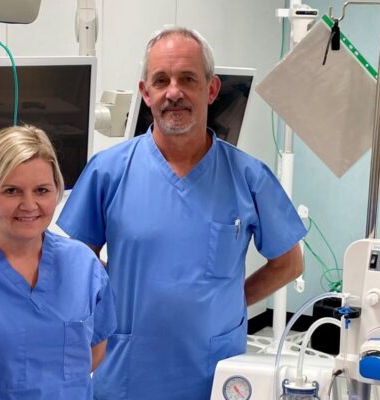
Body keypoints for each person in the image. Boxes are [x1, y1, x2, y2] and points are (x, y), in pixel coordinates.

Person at [57, 25, 306, 400]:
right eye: (161, 80)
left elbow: (289, 263)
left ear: (211, 88)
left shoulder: (248, 177)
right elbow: (79, 264)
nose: (174, 92)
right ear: (146, 93)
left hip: (214, 369)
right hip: (128, 370)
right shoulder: (108, 172)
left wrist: (232, 301)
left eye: (187, 78)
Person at [0, 126, 115, 399]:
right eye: (12, 190)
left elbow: (95, 351)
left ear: (57, 190)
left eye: (41, 190)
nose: (29, 204)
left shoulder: (82, 265)